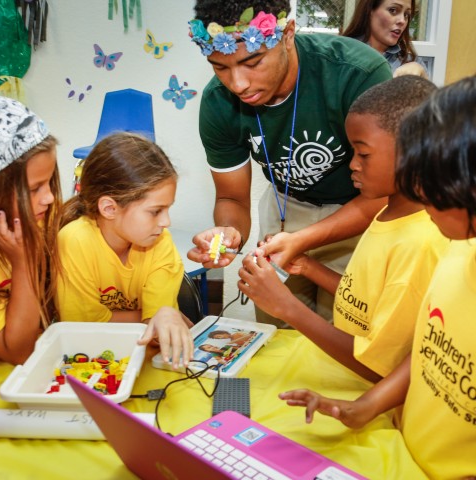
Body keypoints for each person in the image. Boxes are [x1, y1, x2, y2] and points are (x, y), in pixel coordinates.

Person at [278, 76, 476, 479]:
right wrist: (366, 406)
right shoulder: (459, 247)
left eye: (430, 179)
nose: (417, 190)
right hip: (406, 446)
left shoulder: (433, 240)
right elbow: (426, 345)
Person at [186, 0, 393, 326]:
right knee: (276, 330)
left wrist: (303, 240)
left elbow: (383, 195)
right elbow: (231, 198)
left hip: (361, 214)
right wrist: (228, 233)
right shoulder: (218, 103)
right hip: (285, 211)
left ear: (287, 35)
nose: (237, 84)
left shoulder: (357, 75)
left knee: (348, 332)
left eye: (252, 62)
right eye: (220, 67)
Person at [238, 76, 448, 382]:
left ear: (416, 152)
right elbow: (363, 301)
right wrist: (307, 266)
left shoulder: (419, 244)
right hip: (341, 374)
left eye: (363, 154)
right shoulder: (387, 215)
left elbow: (379, 368)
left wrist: (288, 309)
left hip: (363, 389)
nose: (352, 164)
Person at [55, 132, 193, 367]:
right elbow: (82, 329)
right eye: (155, 211)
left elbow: (157, 331)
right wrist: (156, 318)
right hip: (88, 361)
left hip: (143, 361)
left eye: (168, 209)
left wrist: (157, 320)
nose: (166, 222)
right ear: (109, 208)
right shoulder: (74, 241)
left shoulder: (160, 240)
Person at [0, 95, 62, 365]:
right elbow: (17, 351)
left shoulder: (40, 216)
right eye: (35, 189)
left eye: (48, 183)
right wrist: (23, 262)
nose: (49, 198)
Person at [342, 0, 428, 78]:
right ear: (370, 10)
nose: (402, 21)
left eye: (406, 15)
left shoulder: (412, 63)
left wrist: (423, 77)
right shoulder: (341, 55)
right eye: (393, 10)